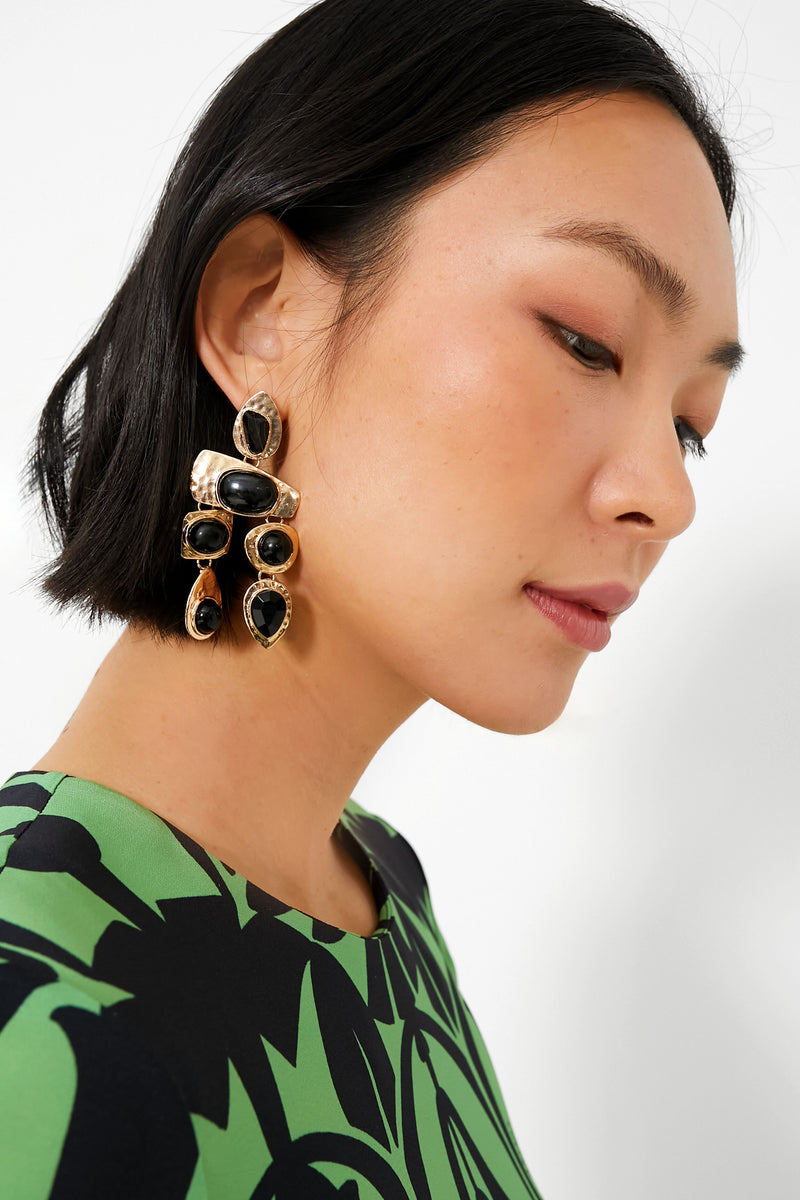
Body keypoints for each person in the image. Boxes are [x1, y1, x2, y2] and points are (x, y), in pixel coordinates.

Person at [0, 0, 742, 1194]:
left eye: (688, 425)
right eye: (585, 340)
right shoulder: (26, 993)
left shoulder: (381, 895)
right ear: (259, 312)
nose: (665, 494)